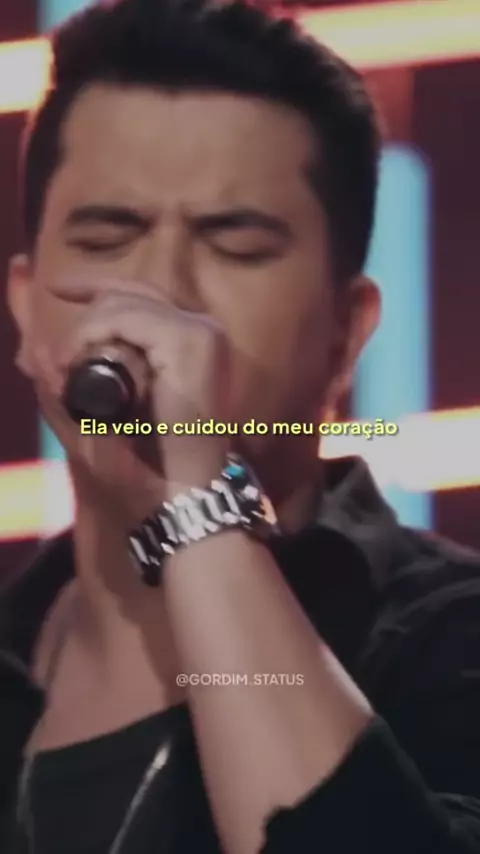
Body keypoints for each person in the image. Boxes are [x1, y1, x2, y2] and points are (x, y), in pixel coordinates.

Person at [1, 0, 480, 851]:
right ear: (27, 308)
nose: (161, 291)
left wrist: (195, 501)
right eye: (107, 238)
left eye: (237, 248)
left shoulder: (448, 639)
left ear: (346, 334)